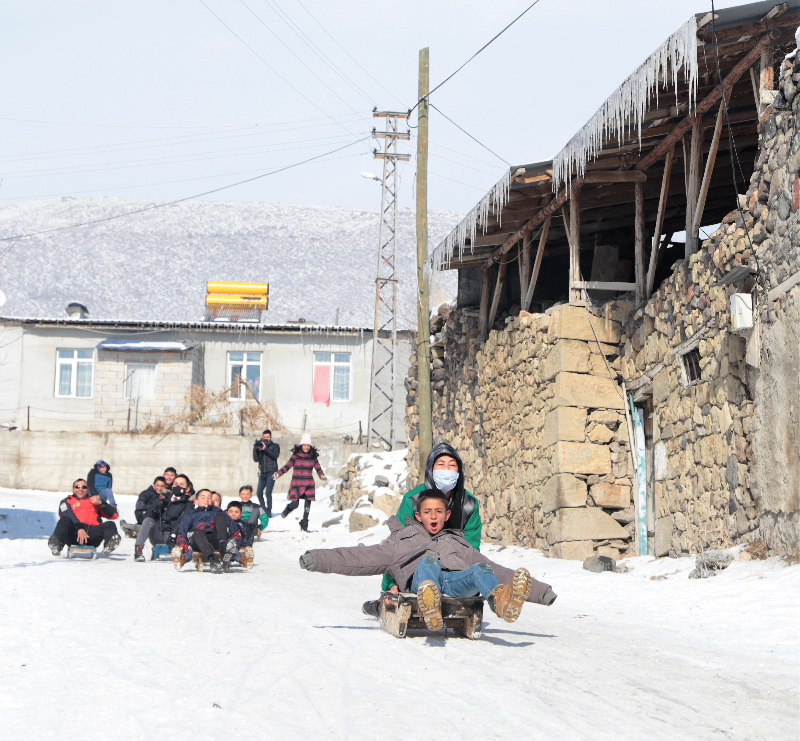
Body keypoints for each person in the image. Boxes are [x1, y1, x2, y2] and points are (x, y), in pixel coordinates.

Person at [299, 490, 557, 628]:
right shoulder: (400, 540)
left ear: (447, 516)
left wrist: (541, 592)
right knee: (428, 562)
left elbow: (497, 569)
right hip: (418, 583)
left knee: (480, 568)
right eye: (427, 512)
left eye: (439, 512)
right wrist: (317, 559)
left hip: (452, 585)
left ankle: (499, 602)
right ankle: (428, 599)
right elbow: (358, 557)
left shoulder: (456, 541)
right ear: (418, 515)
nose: (433, 516)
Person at [363, 442, 481, 617]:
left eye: (452, 465)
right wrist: (390, 585)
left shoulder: (469, 505)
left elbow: (472, 547)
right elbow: (396, 543)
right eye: (441, 464)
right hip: (417, 573)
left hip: (454, 574)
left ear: (459, 471)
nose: (446, 470)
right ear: (431, 469)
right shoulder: (413, 499)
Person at [48, 479, 121, 556]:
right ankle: (56, 544)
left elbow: (114, 515)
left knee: (110, 524)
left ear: (88, 489)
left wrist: (101, 503)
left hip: (92, 535)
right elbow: (66, 514)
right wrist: (79, 528)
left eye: (84, 487)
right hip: (74, 534)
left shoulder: (94, 501)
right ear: (73, 489)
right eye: (77, 487)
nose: (81, 489)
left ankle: (109, 544)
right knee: (64, 520)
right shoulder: (66, 501)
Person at [172, 489, 239, 574]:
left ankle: (223, 546)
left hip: (216, 540)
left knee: (220, 517)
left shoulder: (219, 512)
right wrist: (183, 546)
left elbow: (235, 531)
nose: (206, 500)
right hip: (199, 541)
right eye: (203, 497)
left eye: (209, 498)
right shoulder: (190, 515)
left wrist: (237, 545)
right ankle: (213, 561)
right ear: (196, 501)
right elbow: (182, 533)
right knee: (198, 532)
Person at [131, 476, 191, 562]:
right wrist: (157, 505)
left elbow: (182, 520)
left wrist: (173, 534)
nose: (177, 486)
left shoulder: (188, 504)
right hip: (158, 533)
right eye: (175, 484)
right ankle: (138, 549)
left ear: (187, 488)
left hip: (173, 535)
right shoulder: (164, 498)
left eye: (181, 484)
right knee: (148, 520)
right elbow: (148, 515)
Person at [273, 434, 326, 532]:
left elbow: (318, 468)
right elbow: (287, 466)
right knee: (295, 504)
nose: (306, 447)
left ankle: (304, 525)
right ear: (301, 446)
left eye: (308, 445)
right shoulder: (295, 456)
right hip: (296, 484)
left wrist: (321, 475)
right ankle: (287, 509)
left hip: (309, 483)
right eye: (304, 445)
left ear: (310, 446)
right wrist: (278, 473)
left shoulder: (313, 457)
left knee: (307, 507)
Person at [253, 429, 280, 516]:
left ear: (271, 437)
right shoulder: (260, 446)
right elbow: (256, 459)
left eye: (267, 437)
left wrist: (266, 448)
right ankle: (264, 510)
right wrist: (255, 448)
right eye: (264, 437)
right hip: (262, 472)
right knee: (259, 493)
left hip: (272, 472)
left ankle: (268, 512)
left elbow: (275, 456)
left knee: (268, 493)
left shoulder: (275, 446)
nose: (265, 439)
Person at [226, 501, 255, 569]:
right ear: (226, 513)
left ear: (241, 514)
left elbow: (248, 536)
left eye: (236, 512)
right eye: (231, 512)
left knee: (234, 545)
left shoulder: (243, 525)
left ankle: (241, 557)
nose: (233, 514)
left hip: (239, 545)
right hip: (226, 545)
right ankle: (240, 558)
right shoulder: (223, 524)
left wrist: (247, 546)